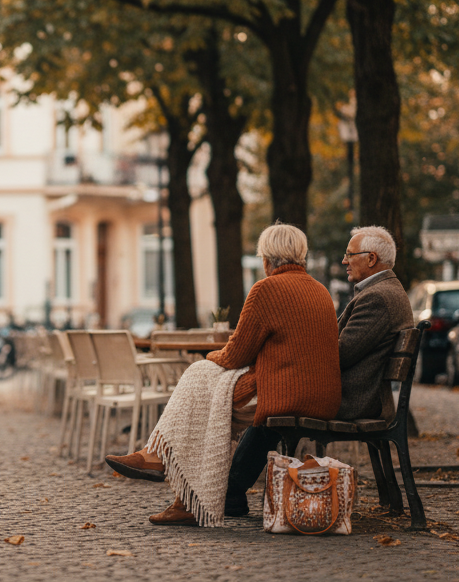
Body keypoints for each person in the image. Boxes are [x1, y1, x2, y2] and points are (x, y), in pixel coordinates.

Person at [105, 223, 342, 526]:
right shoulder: (320, 290)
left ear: (266, 258)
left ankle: (167, 468)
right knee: (209, 393)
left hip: (285, 391)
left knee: (204, 383)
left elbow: (235, 355)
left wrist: (210, 357)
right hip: (322, 394)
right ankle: (176, 481)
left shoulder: (267, 289)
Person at [218, 225, 415, 518]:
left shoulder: (378, 298)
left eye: (350, 255)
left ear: (371, 258)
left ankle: (229, 492)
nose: (345, 260)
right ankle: (229, 491)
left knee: (277, 405)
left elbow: (338, 353)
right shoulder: (382, 291)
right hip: (358, 391)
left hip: (354, 397)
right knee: (272, 402)